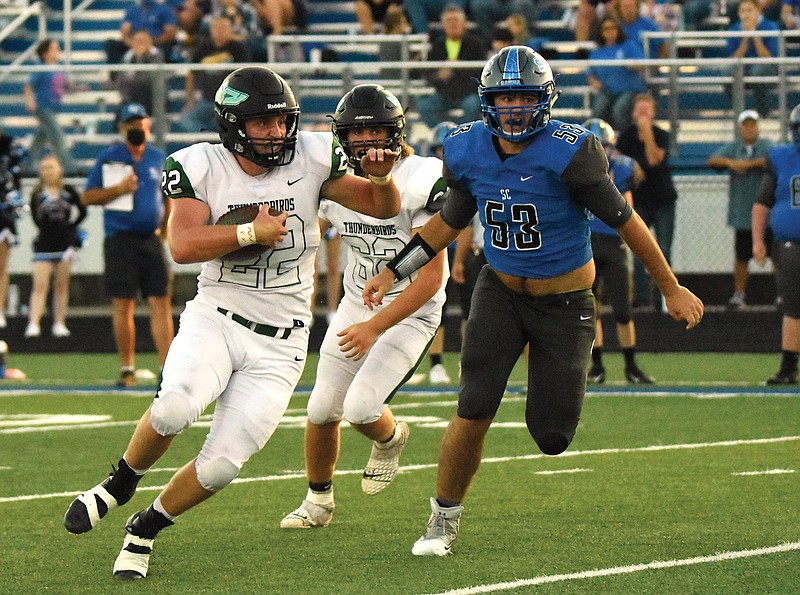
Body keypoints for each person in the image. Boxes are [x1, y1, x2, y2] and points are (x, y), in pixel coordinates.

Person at [362, 46, 704, 556]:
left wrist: (670, 287)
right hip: (499, 290)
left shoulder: (572, 149)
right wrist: (395, 268)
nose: (515, 108)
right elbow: (451, 220)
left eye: (524, 96)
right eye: (505, 97)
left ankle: (549, 390)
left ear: (545, 99)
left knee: (552, 436)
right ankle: (442, 518)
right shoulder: (466, 147)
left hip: (566, 304)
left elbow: (626, 222)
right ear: (487, 101)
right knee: (473, 406)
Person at [63, 66, 401, 580]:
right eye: (262, 122)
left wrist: (380, 176)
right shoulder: (199, 165)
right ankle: (121, 482)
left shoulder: (312, 155)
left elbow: (381, 207)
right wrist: (248, 231)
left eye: (281, 120)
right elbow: (181, 245)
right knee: (174, 408)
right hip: (218, 315)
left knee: (221, 467)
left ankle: (145, 528)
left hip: (284, 338)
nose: (276, 132)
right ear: (232, 124)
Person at [280, 83, 448, 528]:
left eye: (377, 130)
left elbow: (431, 277)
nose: (368, 142)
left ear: (396, 132)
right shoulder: (336, 180)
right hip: (358, 301)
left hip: (411, 309)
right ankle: (318, 502)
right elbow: (303, 233)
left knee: (361, 410)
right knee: (320, 409)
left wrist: (375, 328)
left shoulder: (423, 178)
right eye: (358, 133)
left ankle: (391, 438)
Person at [80, 102, 175, 387]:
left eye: (140, 122)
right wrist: (117, 190)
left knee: (161, 300)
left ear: (148, 125)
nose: (137, 128)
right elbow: (88, 197)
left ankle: (167, 369)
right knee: (124, 303)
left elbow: (168, 195)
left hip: (150, 239)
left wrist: (165, 228)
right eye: (131, 123)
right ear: (122, 128)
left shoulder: (158, 158)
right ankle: (127, 367)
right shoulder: (109, 158)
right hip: (120, 239)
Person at [581, 118, 652, 384]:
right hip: (586, 243)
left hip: (613, 243)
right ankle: (597, 366)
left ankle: (630, 366)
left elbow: (628, 208)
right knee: (591, 310)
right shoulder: (573, 171)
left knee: (623, 309)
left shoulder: (622, 169)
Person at [752, 102, 800, 385]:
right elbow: (762, 202)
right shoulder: (781, 157)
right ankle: (788, 367)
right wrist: (758, 240)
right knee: (793, 307)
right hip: (790, 245)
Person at [616, 93, 678, 309]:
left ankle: (665, 296)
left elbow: (654, 159)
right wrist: (633, 164)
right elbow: (616, 160)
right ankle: (642, 298)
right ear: (633, 113)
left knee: (664, 249)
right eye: (639, 110)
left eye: (646, 110)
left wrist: (647, 133)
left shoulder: (662, 135)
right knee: (638, 249)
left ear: (653, 113)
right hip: (640, 199)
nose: (642, 115)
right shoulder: (626, 137)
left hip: (662, 199)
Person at [707, 109, 773, 309]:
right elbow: (713, 160)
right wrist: (731, 163)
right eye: (746, 125)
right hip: (743, 213)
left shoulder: (767, 146)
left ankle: (784, 293)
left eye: (753, 125)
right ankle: (739, 293)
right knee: (742, 255)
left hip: (767, 212)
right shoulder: (734, 147)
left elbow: (774, 158)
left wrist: (748, 164)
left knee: (776, 254)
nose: (749, 129)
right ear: (740, 128)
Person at [24, 154, 87, 339]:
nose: (48, 171)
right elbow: (36, 219)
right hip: (44, 244)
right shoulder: (37, 193)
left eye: (51, 167)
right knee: (40, 285)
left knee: (61, 285)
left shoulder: (68, 191)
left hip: (64, 244)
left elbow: (82, 210)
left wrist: (71, 228)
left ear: (59, 169)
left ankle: (59, 322)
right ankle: (33, 323)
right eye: (44, 168)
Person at [415, 4, 488, 128]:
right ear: (443, 24)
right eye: (449, 20)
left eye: (456, 20)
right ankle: (442, 133)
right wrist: (439, 75)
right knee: (424, 106)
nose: (453, 24)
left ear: (464, 23)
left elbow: (481, 74)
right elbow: (428, 75)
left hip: (468, 94)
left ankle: (462, 132)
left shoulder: (476, 44)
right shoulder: (437, 46)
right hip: (444, 94)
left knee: (472, 105)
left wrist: (458, 70)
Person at [176, 16, 250, 133]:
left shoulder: (238, 48)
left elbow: (245, 74)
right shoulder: (204, 47)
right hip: (208, 100)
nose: (220, 31)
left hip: (231, 102)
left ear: (230, 30)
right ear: (211, 31)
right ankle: (208, 138)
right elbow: (191, 72)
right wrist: (189, 100)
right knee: (185, 120)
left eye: (224, 28)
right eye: (216, 28)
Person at [23, 38, 76, 174]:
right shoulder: (40, 67)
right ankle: (70, 168)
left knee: (39, 139)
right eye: (54, 49)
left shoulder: (59, 66)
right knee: (58, 138)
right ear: (45, 52)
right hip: (43, 107)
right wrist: (29, 100)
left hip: (53, 107)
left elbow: (65, 85)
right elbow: (29, 85)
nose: (57, 52)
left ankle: (28, 167)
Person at [586, 15, 648, 131]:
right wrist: (594, 82)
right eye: (606, 29)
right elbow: (591, 74)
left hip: (629, 90)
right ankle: (596, 139)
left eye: (613, 28)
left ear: (618, 30)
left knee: (619, 109)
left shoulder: (629, 46)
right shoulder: (597, 52)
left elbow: (642, 65)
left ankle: (623, 138)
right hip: (607, 90)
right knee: (598, 110)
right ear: (601, 32)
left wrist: (633, 65)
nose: (610, 32)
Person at [727, 0, 780, 117]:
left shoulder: (771, 27)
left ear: (758, 11)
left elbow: (768, 58)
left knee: (757, 72)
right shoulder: (734, 29)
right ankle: (740, 115)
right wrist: (745, 38)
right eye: (742, 11)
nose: (746, 14)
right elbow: (734, 58)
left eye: (749, 10)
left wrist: (754, 34)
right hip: (744, 68)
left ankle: (763, 113)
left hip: (767, 68)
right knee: (728, 72)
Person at [0, 129, 26, 329]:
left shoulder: (11, 145)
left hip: (4, 213)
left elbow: (16, 179)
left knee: (2, 265)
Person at [105, 0, 177, 67]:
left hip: (156, 42)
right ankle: (117, 75)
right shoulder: (132, 9)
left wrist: (148, 43)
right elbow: (125, 31)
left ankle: (158, 74)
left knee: (166, 48)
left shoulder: (165, 9)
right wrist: (134, 43)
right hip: (134, 42)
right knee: (111, 45)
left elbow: (170, 32)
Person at [118, 30, 165, 116]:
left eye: (142, 41)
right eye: (137, 41)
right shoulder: (128, 57)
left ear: (149, 42)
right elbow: (121, 79)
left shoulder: (156, 55)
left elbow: (153, 78)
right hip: (132, 95)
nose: (139, 44)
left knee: (140, 87)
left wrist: (141, 58)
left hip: (152, 95)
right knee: (121, 109)